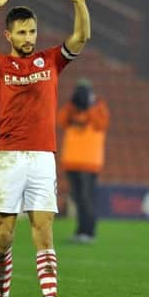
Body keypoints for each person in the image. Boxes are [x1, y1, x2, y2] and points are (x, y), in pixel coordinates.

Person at [0, 0, 90, 297]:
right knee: (4, 236)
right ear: (8, 34)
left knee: (44, 230)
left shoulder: (50, 60)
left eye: (32, 31)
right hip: (9, 158)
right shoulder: (0, 66)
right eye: (22, 32)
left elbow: (82, 37)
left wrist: (80, 3)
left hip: (42, 157)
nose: (29, 37)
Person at [57, 78, 110, 243]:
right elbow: (61, 121)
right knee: (77, 198)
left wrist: (90, 105)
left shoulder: (99, 108)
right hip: (72, 161)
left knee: (86, 198)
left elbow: (101, 124)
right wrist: (73, 105)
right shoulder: (72, 108)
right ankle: (81, 231)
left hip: (89, 162)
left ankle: (89, 231)